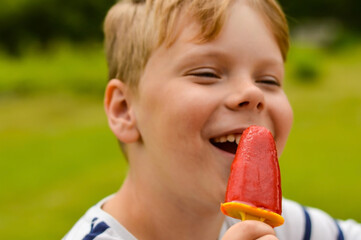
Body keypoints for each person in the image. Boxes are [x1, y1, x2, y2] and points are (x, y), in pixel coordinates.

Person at [63, 0, 361, 239]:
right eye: (207, 73)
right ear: (125, 109)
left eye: (269, 80)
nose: (253, 92)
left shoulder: (288, 227)